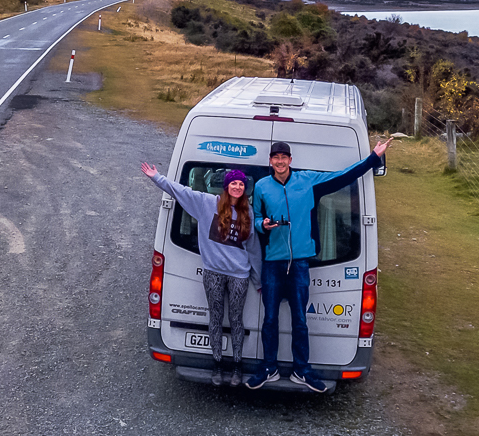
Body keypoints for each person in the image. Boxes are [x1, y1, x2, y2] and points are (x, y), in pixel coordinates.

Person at [248, 136, 392, 392]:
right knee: (269, 318)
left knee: (300, 319)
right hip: (272, 262)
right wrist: (264, 225)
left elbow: (343, 176)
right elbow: (255, 218)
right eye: (275, 158)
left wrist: (373, 158)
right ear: (270, 161)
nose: (280, 162)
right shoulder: (261, 186)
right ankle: (268, 368)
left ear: (290, 160)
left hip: (301, 263)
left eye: (284, 158)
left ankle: (301, 370)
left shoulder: (307, 181)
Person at [140, 162, 262, 384]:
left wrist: (258, 279)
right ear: (226, 187)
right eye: (233, 183)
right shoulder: (207, 203)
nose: (237, 187)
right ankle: (216, 365)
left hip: (239, 276)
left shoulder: (248, 212)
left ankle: (237, 366)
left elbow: (253, 248)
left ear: (245, 188)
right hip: (213, 273)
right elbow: (181, 191)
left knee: (236, 320)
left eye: (241, 184)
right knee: (214, 317)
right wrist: (157, 177)